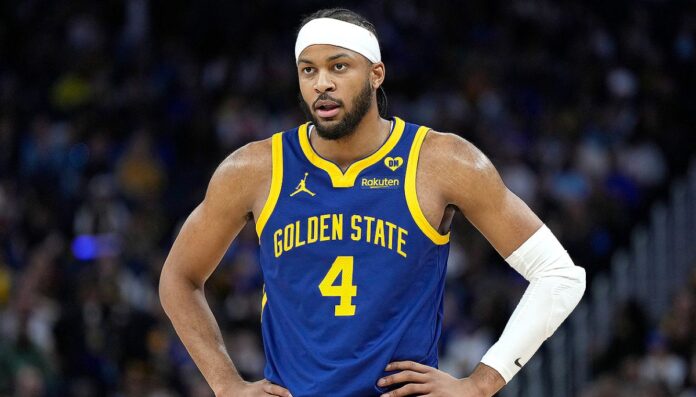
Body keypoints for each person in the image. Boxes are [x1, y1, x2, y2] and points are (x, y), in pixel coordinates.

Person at [159, 8, 586, 397]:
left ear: (376, 74)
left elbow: (559, 275)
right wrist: (226, 385)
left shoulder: (441, 162)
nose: (321, 83)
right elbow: (179, 277)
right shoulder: (254, 169)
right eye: (308, 70)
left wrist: (481, 383)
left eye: (338, 67)